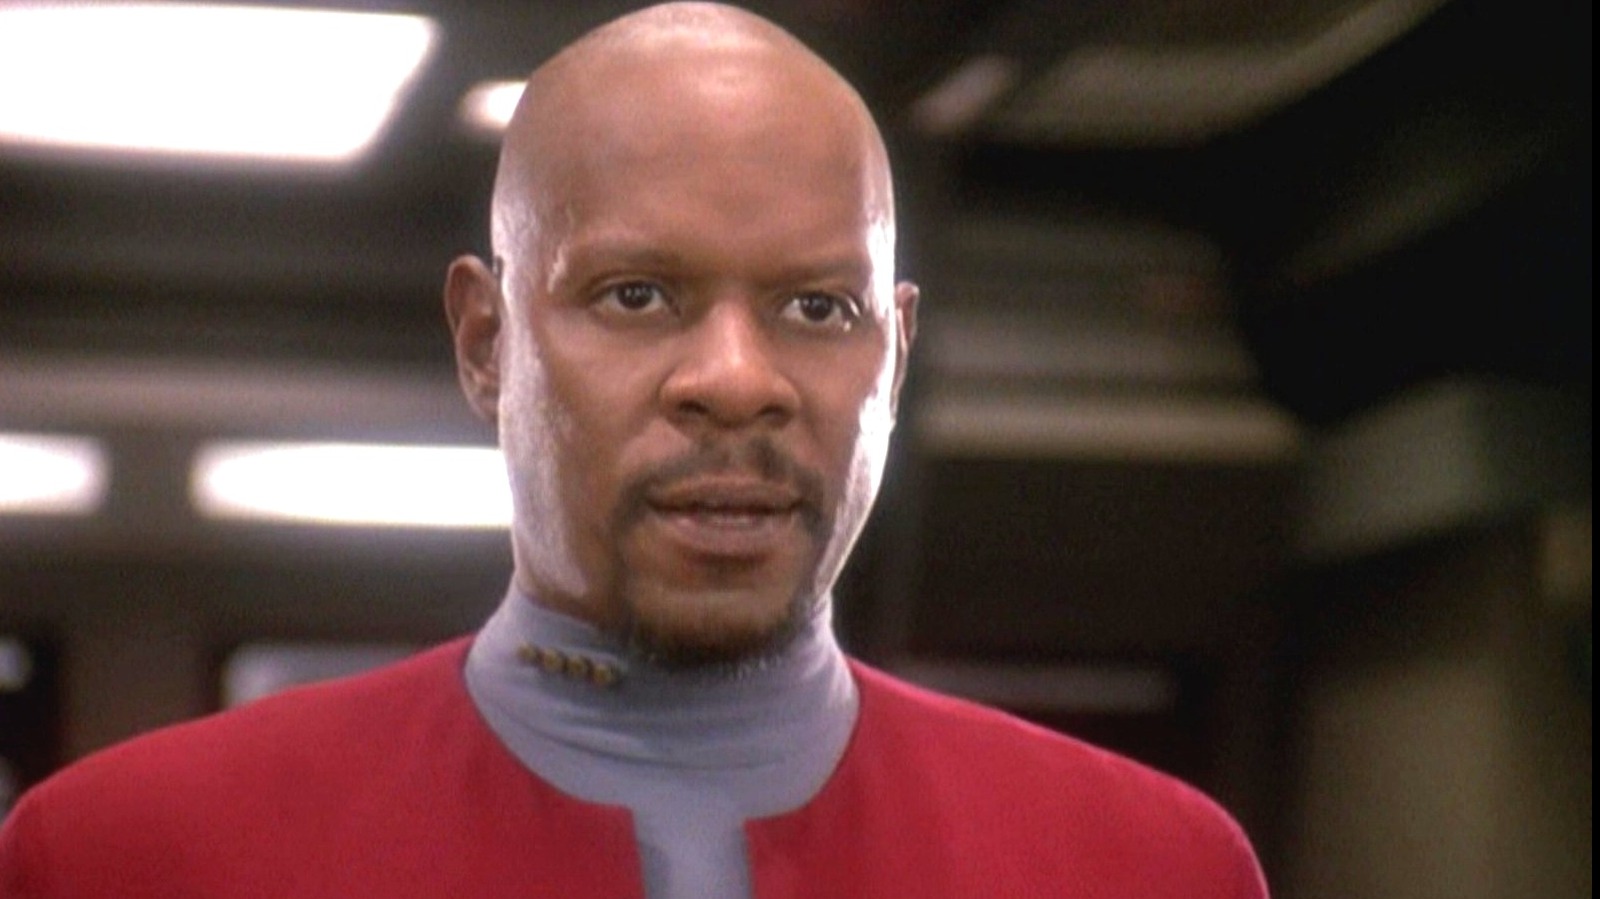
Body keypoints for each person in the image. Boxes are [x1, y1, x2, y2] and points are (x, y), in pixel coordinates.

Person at [0, 4, 1269, 897]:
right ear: (487, 342)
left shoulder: (1152, 868)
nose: (736, 381)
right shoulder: (130, 857)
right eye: (637, 295)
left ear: (894, 355)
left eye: (817, 306)